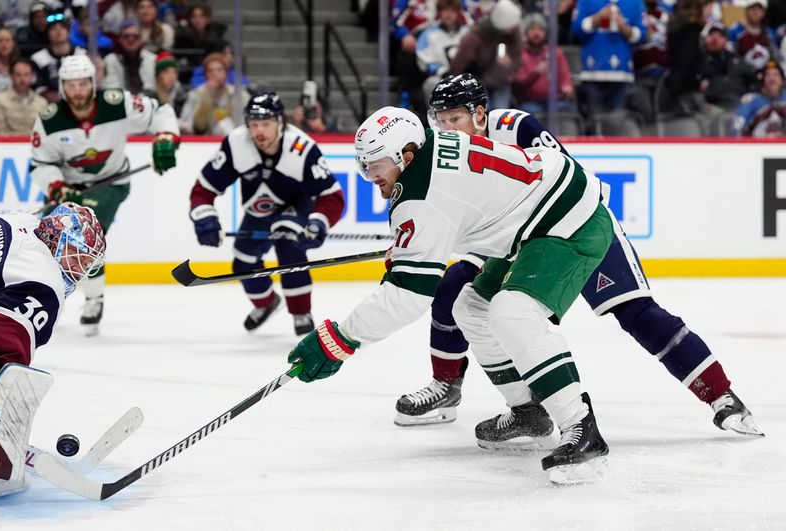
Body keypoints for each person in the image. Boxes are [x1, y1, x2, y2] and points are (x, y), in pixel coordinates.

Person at [392, 73, 762, 441]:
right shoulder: (447, 158)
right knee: (458, 292)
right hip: (521, 241)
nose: (446, 128)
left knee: (637, 314)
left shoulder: (514, 128)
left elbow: (568, 187)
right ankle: (489, 398)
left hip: (578, 222)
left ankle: (722, 396)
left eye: (453, 118)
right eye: (439, 121)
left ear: (480, 113)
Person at [287, 105, 616, 484]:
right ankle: (528, 412)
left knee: (512, 314)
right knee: (472, 307)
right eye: (364, 166)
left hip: (570, 220)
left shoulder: (420, 196)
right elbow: (457, 211)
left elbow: (408, 295)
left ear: (406, 156)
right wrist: (412, 251)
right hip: (534, 217)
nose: (369, 176)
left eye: (376, 165)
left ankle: (581, 428)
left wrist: (339, 340)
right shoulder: (426, 157)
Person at [30, 54, 180, 336]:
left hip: (111, 182)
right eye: (71, 85)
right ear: (62, 87)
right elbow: (41, 164)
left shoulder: (116, 103)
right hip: (71, 186)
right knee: (46, 242)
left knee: (84, 238)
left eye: (83, 84)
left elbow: (160, 111)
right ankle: (45, 297)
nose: (78, 91)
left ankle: (94, 298)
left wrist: (166, 138)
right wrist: (56, 186)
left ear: (93, 83)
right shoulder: (49, 120)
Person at [188, 91, 345, 336]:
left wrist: (319, 221)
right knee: (243, 260)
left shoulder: (302, 149)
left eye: (266, 124)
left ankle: (301, 311)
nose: (259, 131)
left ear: (280, 122)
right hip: (259, 210)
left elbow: (332, 197)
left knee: (286, 239)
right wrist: (205, 216)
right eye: (254, 124)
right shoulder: (236, 144)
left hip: (296, 205)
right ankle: (266, 302)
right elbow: (203, 189)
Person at [0, 202, 105, 500]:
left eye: (86, 265)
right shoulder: (44, 280)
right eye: (76, 258)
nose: (78, 273)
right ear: (56, 239)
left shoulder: (11, 220)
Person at [571, 0, 645, 116]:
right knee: (595, 123)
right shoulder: (586, 1)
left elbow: (642, 35)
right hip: (593, 74)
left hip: (622, 74)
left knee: (618, 125)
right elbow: (576, 29)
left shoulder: (635, 2)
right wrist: (597, 18)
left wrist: (623, 26)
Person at [450, 0, 523, 109]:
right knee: (483, 112)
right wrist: (458, 85)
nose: (513, 29)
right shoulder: (476, 35)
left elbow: (517, 55)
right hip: (478, 79)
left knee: (501, 114)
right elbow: (460, 62)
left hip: (501, 80)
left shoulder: (513, 33)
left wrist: (510, 64)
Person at [512, 12, 576, 114]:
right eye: (533, 29)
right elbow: (517, 82)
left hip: (555, 101)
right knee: (531, 113)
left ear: (545, 33)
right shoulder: (519, 54)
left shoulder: (555, 53)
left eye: (540, 30)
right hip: (529, 102)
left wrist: (567, 86)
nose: (537, 33)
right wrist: (535, 72)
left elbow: (565, 76)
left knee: (570, 110)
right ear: (526, 32)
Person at [178, 52, 247, 135]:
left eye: (219, 70)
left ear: (226, 73)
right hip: (205, 140)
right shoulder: (196, 95)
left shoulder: (238, 94)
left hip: (234, 137)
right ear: (206, 75)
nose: (215, 74)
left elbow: (246, 122)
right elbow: (197, 126)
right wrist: (207, 95)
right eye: (210, 71)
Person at [0, 58, 49, 136]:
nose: (22, 79)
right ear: (11, 75)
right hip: (7, 146)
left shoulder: (42, 102)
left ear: (32, 76)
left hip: (34, 146)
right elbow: (0, 132)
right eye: (18, 75)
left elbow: (44, 132)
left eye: (26, 75)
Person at [31, 11, 80, 102]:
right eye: (53, 28)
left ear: (68, 32)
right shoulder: (38, 59)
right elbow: (40, 89)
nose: (58, 31)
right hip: (50, 104)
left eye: (62, 27)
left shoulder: (81, 54)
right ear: (47, 34)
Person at [733, 59, 786, 137]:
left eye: (776, 75)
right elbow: (737, 128)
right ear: (763, 80)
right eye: (768, 75)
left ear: (783, 80)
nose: (772, 79)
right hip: (758, 146)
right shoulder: (750, 101)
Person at [103, 19, 157, 94]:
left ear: (141, 40)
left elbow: (151, 87)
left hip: (147, 101)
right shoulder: (111, 60)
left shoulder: (152, 59)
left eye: (135, 37)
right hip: (120, 101)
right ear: (120, 39)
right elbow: (111, 88)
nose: (131, 40)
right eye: (126, 36)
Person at [151, 51, 187, 116]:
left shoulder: (183, 98)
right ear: (158, 75)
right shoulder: (149, 99)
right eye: (166, 72)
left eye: (174, 72)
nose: (171, 76)